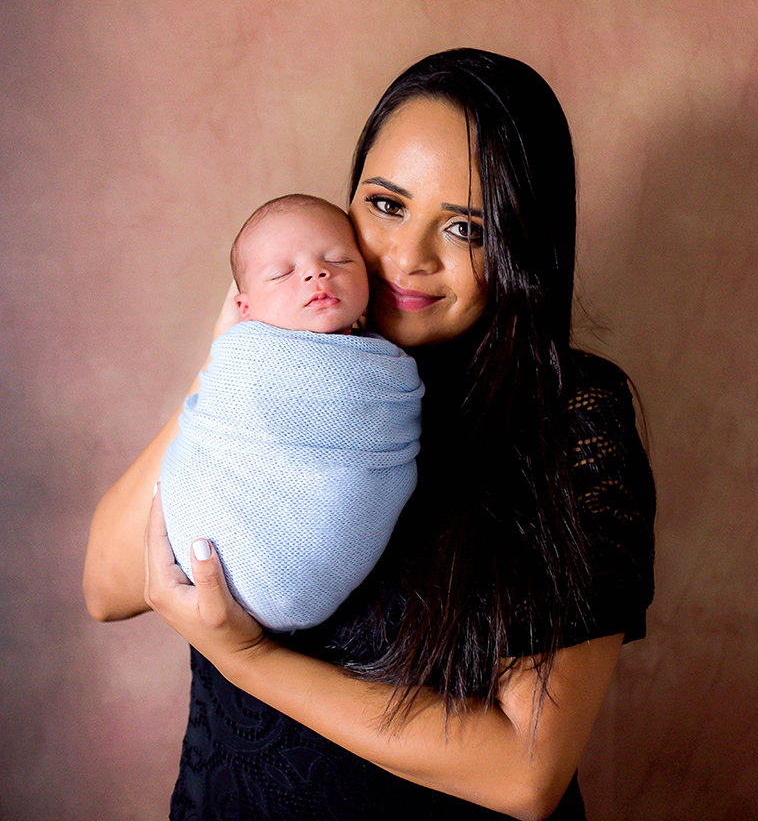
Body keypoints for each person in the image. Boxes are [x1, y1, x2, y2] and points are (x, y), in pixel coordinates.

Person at [83, 48, 656, 821]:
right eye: (387, 205)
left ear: (522, 249)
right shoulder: (279, 364)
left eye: (465, 227)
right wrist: (235, 359)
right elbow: (107, 587)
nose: (406, 259)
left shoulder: (569, 418)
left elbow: (526, 775)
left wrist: (247, 657)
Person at [160, 193, 423, 631]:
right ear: (244, 309)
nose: (317, 273)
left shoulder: (386, 370)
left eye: (340, 260)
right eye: (283, 273)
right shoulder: (243, 355)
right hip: (209, 536)